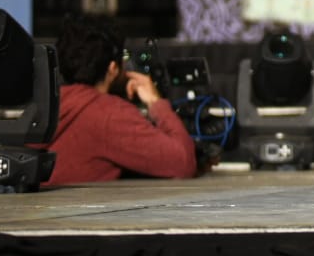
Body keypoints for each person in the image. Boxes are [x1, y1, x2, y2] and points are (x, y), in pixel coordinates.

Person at [43, 13, 200, 186]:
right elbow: (183, 162)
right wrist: (156, 103)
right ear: (113, 68)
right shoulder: (108, 114)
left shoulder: (45, 105)